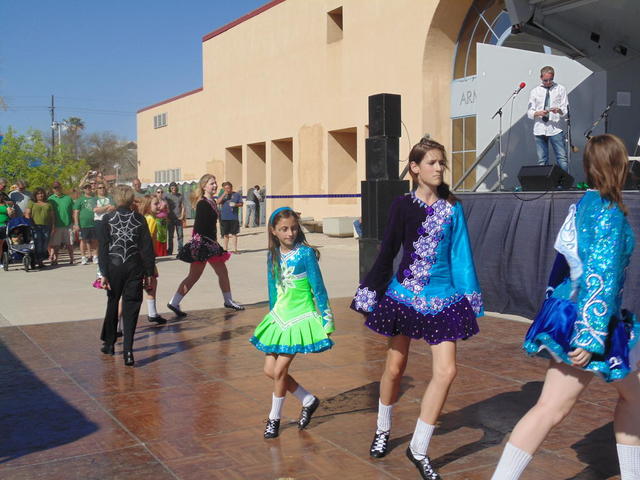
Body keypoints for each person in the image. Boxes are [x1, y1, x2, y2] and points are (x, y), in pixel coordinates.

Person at [491, 134, 639, 479]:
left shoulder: (583, 204)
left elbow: (568, 263)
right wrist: (588, 339)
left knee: (621, 399)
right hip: (589, 319)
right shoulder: (610, 215)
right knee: (551, 409)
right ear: (618, 167)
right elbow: (599, 279)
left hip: (575, 311)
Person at [351, 138, 483, 479]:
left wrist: (468, 298)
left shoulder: (453, 206)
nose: (439, 168)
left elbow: (460, 254)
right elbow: (388, 250)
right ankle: (383, 428)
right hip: (405, 297)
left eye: (442, 163)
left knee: (447, 371)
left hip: (444, 298)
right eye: (432, 163)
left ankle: (418, 447)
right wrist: (369, 294)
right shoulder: (402, 205)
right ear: (415, 168)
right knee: (394, 369)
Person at [250, 207, 335, 439]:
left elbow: (318, 288)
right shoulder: (273, 254)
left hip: (301, 316)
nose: (290, 233)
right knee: (269, 370)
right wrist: (271, 319)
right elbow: (273, 288)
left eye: (294, 228)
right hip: (279, 317)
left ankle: (274, 419)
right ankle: (308, 399)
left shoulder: (306, 254)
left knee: (279, 370)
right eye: (284, 229)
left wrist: (326, 320)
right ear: (273, 231)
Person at [167, 174, 244, 315]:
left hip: (207, 243)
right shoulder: (203, 203)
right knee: (200, 275)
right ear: (204, 186)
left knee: (209, 274)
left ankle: (174, 302)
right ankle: (175, 302)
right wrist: (201, 245)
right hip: (204, 245)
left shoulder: (211, 201)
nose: (214, 186)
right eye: (211, 184)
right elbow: (200, 226)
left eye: (215, 183)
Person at [98, 185, 155, 367]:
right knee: (131, 308)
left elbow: (103, 249)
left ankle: (109, 343)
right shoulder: (139, 219)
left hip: (114, 266)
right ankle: (128, 352)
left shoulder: (107, 218)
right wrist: (149, 273)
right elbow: (147, 249)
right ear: (131, 199)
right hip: (134, 266)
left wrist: (103, 273)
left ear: (115, 199)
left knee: (113, 302)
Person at [527, 65, 569, 172]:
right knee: (542, 159)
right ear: (541, 77)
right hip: (540, 128)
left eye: (551, 79)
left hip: (555, 128)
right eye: (546, 80)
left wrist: (558, 110)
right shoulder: (535, 91)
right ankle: (544, 185)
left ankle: (564, 185)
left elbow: (565, 110)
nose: (548, 82)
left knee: (562, 158)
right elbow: (529, 112)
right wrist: (538, 113)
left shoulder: (561, 89)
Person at [47, 181, 75, 265]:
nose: (57, 189)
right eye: (55, 188)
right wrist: (52, 225)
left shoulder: (68, 198)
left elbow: (73, 211)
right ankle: (55, 260)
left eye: (58, 187)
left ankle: (72, 259)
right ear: (53, 189)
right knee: (56, 245)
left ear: (61, 187)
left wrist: (75, 224)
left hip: (68, 224)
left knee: (69, 243)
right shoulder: (50, 199)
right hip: (56, 225)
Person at [27, 187, 55, 268]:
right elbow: (27, 213)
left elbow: (52, 216)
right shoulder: (32, 202)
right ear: (35, 195)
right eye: (38, 193)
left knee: (45, 244)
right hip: (35, 226)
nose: (40, 195)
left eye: (42, 193)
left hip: (46, 226)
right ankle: (37, 261)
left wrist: (53, 225)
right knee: (38, 243)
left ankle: (40, 260)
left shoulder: (48, 203)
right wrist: (30, 224)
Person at [73, 183, 98, 264]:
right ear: (83, 190)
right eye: (86, 188)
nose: (88, 189)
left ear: (91, 189)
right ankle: (83, 257)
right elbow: (76, 212)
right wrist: (76, 224)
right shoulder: (80, 199)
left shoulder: (95, 199)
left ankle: (95, 256)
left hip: (94, 223)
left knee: (95, 240)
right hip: (83, 224)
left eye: (89, 187)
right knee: (83, 240)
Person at [217, 181, 243, 253]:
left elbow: (241, 204)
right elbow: (217, 202)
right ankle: (225, 249)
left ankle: (235, 249)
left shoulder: (236, 195)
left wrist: (235, 205)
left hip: (233, 217)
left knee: (234, 233)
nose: (227, 190)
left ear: (231, 188)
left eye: (228, 188)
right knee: (225, 234)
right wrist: (223, 195)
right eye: (225, 188)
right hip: (224, 217)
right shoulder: (222, 195)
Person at [165, 181, 185, 255]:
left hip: (178, 218)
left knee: (180, 235)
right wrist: (167, 217)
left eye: (174, 187)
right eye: (172, 187)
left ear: (176, 187)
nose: (173, 188)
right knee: (170, 236)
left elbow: (183, 206)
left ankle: (181, 250)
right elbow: (165, 207)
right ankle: (170, 251)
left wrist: (182, 216)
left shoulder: (180, 196)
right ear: (170, 188)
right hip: (170, 219)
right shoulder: (167, 196)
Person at [153, 187, 169, 257]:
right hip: (158, 219)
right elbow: (153, 210)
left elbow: (168, 211)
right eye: (158, 192)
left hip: (164, 220)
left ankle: (164, 252)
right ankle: (158, 253)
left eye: (161, 192)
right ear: (156, 193)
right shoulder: (154, 201)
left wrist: (166, 208)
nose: (160, 193)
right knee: (158, 236)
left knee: (164, 236)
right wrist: (161, 209)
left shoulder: (164, 201)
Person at [0, 194, 14, 266]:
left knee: (1, 244)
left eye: (0, 196)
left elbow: (10, 214)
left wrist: (11, 212)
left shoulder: (5, 204)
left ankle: (0, 261)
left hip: (5, 226)